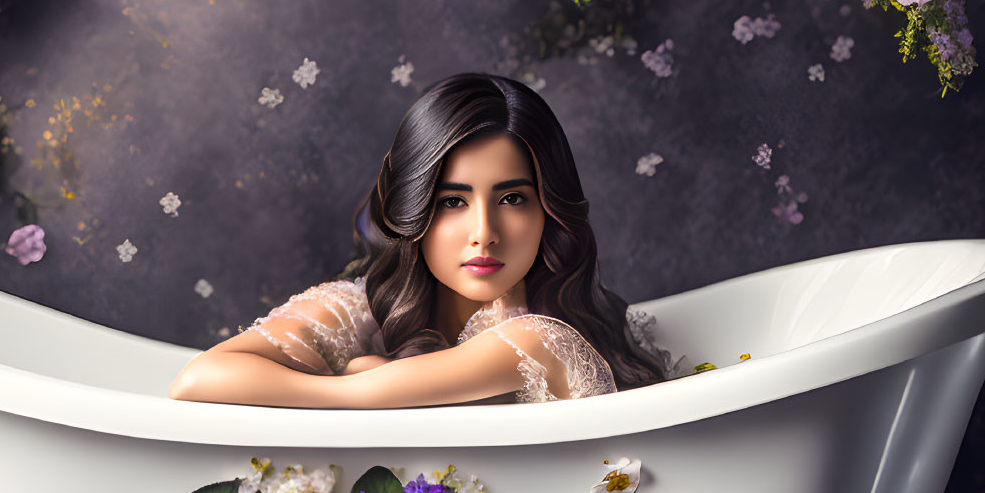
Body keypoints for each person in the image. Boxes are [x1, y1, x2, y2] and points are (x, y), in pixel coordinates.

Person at [168, 72, 671, 407]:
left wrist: (356, 380)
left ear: (549, 211)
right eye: (453, 201)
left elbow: (355, 404)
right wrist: (367, 372)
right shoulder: (359, 309)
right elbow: (195, 381)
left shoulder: (539, 340)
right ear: (413, 209)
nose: (484, 233)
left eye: (513, 199)